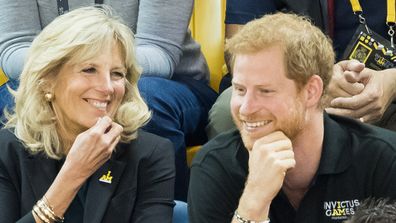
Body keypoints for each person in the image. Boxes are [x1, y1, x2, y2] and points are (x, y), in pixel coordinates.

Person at [0, 0, 217, 201]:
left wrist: (100, 65)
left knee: (144, 101)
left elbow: (159, 52)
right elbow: (14, 48)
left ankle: (169, 207)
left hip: (169, 81)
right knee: (11, 102)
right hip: (61, 71)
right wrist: (66, 69)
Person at [188, 13, 396, 223]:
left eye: (265, 91)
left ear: (311, 91)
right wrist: (254, 200)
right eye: (240, 89)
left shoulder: (384, 159)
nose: (246, 109)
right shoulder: (214, 166)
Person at [206, 0, 396, 139]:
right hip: (298, 84)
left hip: (391, 92)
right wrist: (315, 82)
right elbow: (240, 50)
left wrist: (392, 82)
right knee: (227, 110)